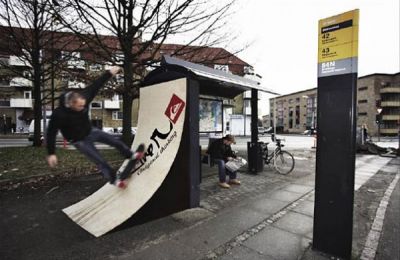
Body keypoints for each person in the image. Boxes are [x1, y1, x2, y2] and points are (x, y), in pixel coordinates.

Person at [46, 66, 142, 188]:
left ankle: (130, 154)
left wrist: (109, 73)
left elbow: (97, 84)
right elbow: (51, 133)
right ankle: (114, 180)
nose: (83, 108)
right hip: (79, 141)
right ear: (71, 104)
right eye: (80, 107)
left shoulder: (85, 96)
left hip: (91, 130)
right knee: (99, 160)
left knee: (114, 141)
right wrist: (51, 153)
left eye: (83, 105)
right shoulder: (59, 114)